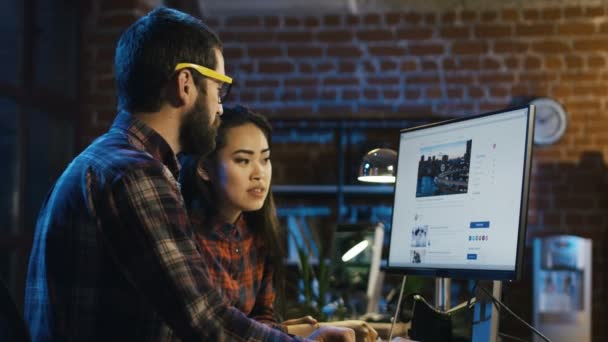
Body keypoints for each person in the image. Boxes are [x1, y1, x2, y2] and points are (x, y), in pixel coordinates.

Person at [23, 7, 353, 341]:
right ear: (185, 84)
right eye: (219, 89)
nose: (220, 108)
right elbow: (205, 321)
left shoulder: (106, 160)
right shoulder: (135, 173)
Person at [179, 105, 378, 342]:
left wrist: (304, 331)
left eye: (265, 159)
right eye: (243, 161)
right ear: (204, 168)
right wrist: (304, 334)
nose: (259, 173)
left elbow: (259, 321)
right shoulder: (183, 235)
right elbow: (213, 328)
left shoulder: (257, 233)